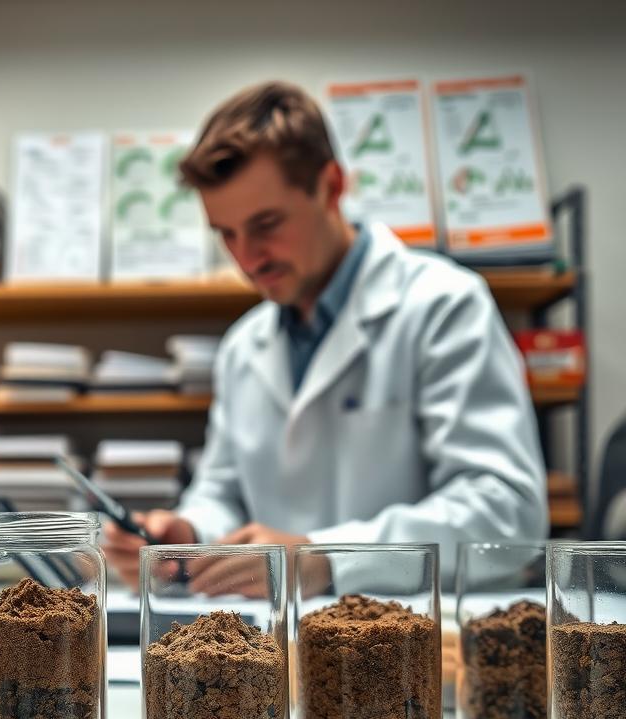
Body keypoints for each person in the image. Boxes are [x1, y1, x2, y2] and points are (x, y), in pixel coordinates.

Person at [104, 80, 547, 591]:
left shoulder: (444, 305)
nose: (247, 258)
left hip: (419, 643)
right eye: (226, 233)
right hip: (278, 646)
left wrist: (327, 559)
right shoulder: (243, 346)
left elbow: (505, 508)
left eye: (266, 223)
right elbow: (223, 493)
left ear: (331, 186)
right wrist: (187, 533)